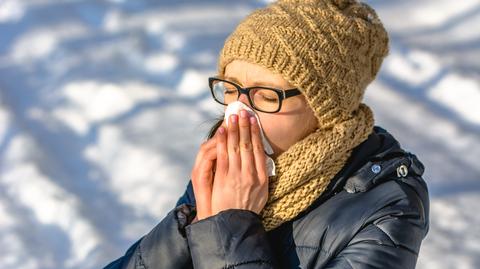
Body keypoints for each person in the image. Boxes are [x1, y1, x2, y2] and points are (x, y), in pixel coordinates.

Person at [104, 0, 430, 268]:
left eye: (266, 95)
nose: (238, 113)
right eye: (231, 89)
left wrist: (227, 224)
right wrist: (191, 223)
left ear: (326, 110)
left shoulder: (386, 210)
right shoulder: (232, 171)